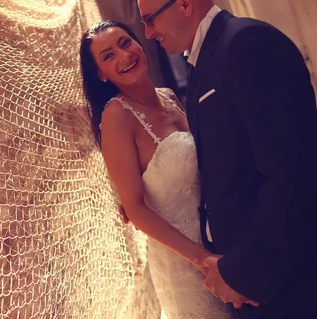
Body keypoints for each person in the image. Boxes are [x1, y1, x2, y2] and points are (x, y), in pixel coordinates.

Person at [136, 0, 317, 318]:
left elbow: (295, 177)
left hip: (289, 279)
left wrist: (242, 273)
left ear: (184, 3)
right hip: (256, 283)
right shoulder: (202, 64)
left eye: (150, 19)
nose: (149, 33)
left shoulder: (247, 43)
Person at [79, 20, 237, 318]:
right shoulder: (116, 117)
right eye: (108, 56)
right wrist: (205, 261)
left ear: (139, 43)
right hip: (187, 263)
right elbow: (136, 210)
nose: (124, 56)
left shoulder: (169, 96)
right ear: (100, 74)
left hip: (224, 241)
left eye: (125, 43)